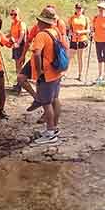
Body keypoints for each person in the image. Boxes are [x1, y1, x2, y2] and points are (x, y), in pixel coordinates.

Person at [30, 8, 66, 146]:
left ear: (42, 21)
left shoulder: (41, 35)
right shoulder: (55, 31)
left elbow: (37, 53)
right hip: (56, 71)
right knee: (55, 99)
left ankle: (50, 133)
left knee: (46, 104)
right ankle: (54, 129)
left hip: (46, 73)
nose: (37, 22)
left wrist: (39, 71)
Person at [91, 1, 105, 85]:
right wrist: (92, 33)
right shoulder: (95, 18)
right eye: (99, 8)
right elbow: (93, 28)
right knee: (99, 58)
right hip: (97, 40)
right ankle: (100, 75)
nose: (100, 10)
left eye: (102, 8)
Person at [68, 3, 90, 81]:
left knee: (80, 58)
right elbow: (70, 29)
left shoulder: (85, 18)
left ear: (82, 9)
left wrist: (81, 32)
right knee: (69, 57)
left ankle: (80, 75)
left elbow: (88, 30)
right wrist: (71, 33)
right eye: (77, 8)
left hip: (82, 39)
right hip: (74, 40)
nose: (78, 10)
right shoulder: (72, 18)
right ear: (75, 9)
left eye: (80, 8)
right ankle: (64, 73)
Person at [9, 8, 28, 88]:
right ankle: (19, 84)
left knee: (19, 66)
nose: (13, 16)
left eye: (15, 14)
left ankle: (21, 84)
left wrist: (18, 43)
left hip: (20, 46)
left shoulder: (21, 23)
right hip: (15, 46)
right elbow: (10, 34)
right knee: (17, 66)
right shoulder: (13, 24)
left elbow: (22, 34)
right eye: (11, 14)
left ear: (19, 14)